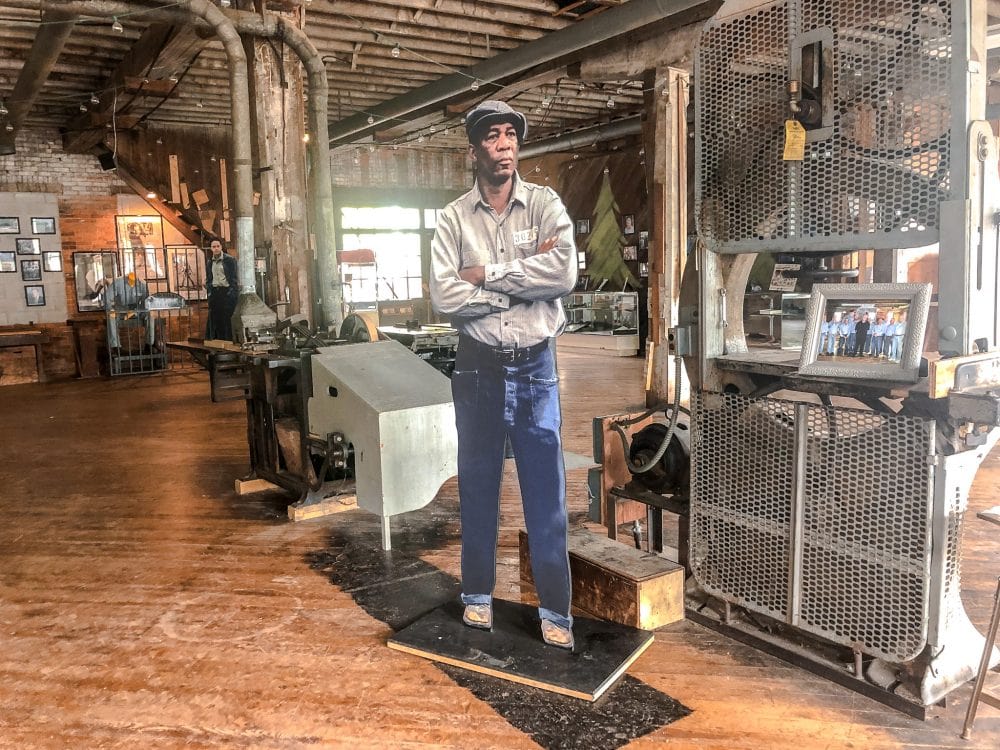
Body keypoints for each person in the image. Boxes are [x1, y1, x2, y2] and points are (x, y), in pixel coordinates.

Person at [429, 100, 578, 649]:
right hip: (478, 370)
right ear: (475, 150)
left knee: (548, 496)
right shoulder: (452, 218)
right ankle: (476, 598)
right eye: (493, 137)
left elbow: (562, 273)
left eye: (511, 135)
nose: (506, 145)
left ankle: (556, 614)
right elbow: (445, 293)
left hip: (537, 366)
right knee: (478, 488)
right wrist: (520, 280)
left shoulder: (545, 205)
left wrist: (486, 276)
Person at [205, 239, 238, 341]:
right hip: (215, 292)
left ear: (221, 247)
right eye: (213, 247)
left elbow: (234, 277)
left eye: (217, 246)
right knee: (216, 317)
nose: (216, 249)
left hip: (226, 291)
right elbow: (209, 277)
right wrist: (209, 287)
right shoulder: (210, 262)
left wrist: (231, 291)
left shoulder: (229, 260)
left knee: (227, 317)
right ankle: (219, 340)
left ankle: (228, 340)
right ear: (211, 248)